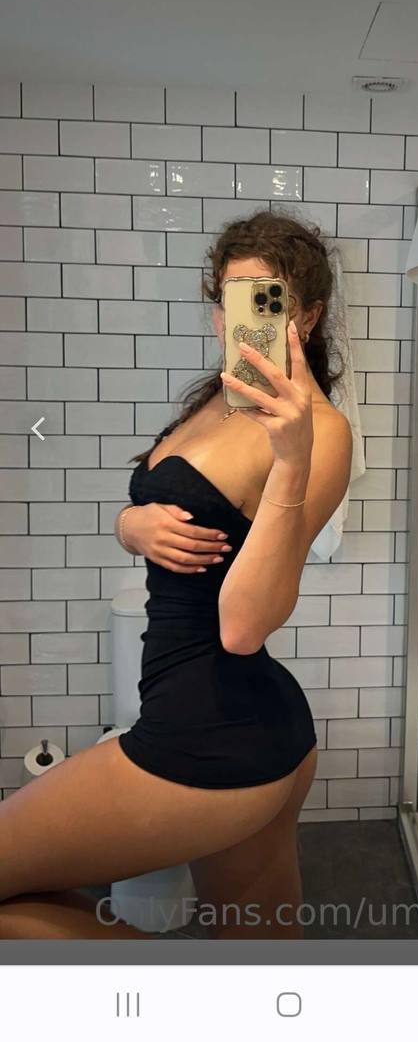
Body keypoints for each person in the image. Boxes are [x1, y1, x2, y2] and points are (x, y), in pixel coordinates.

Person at [0, 211, 353, 939]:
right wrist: (128, 526)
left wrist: (292, 459)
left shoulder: (319, 431)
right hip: (238, 722)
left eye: (267, 300)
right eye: (230, 299)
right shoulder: (220, 396)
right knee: (259, 968)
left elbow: (244, 625)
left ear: (308, 318)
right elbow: (169, 505)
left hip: (209, 732)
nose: (240, 319)